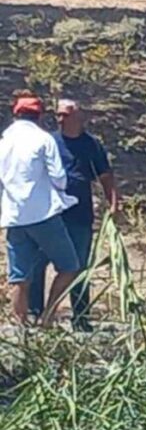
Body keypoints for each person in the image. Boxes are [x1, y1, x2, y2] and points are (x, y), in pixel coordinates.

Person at [27, 99, 120, 332]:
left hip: (80, 216)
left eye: (65, 114)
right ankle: (35, 313)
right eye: (58, 115)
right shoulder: (50, 142)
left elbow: (105, 176)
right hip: (50, 214)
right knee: (38, 263)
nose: (60, 119)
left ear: (79, 116)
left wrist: (114, 204)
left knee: (79, 266)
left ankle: (80, 317)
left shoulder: (91, 145)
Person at [0, 91, 80, 327]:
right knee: (69, 266)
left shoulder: (4, 142)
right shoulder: (44, 140)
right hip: (43, 215)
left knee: (19, 277)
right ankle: (47, 317)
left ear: (15, 115)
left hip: (14, 217)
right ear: (40, 116)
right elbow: (59, 178)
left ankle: (20, 327)